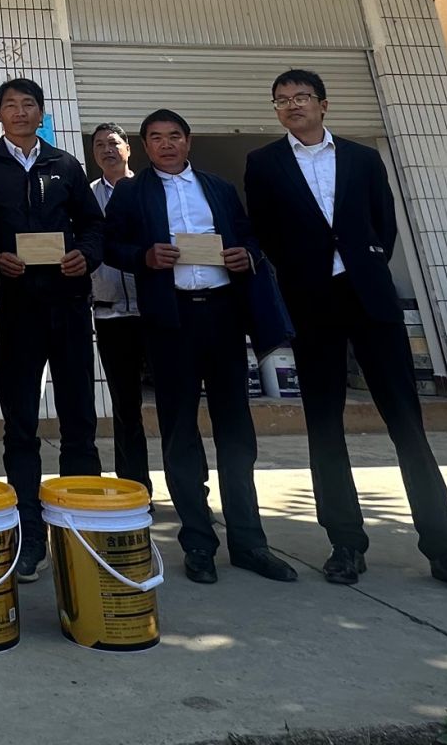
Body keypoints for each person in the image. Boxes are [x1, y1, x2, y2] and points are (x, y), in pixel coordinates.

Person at [245, 70, 447, 600]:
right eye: (282, 100)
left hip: (371, 298)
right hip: (312, 303)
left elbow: (384, 222)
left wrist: (364, 262)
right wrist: (302, 271)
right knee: (324, 425)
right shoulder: (264, 163)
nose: (292, 106)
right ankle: (345, 542)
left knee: (406, 421)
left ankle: (443, 549)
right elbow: (263, 229)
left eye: (301, 97)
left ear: (323, 104)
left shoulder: (361, 157)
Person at [107, 110, 298, 585]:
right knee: (179, 432)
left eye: (174, 136)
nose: (166, 144)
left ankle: (249, 542)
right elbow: (110, 245)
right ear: (145, 146)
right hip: (170, 319)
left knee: (236, 429)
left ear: (188, 141)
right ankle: (197, 542)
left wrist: (245, 254)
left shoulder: (217, 187)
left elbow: (249, 235)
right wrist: (144, 256)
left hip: (223, 313)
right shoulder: (133, 192)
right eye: (156, 138)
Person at [0, 79, 105, 582]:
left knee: (80, 419)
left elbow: (94, 226)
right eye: (10, 105)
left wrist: (86, 255)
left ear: (40, 113)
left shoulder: (66, 165)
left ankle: (81, 530)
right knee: (20, 427)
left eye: (28, 104)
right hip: (13, 311)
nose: (19, 112)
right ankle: (29, 533)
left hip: (68, 307)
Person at [85, 122, 150, 496]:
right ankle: (134, 487)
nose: (107, 150)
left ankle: (189, 490)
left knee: (176, 404)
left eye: (113, 143)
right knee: (126, 406)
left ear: (128, 148)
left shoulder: (149, 190)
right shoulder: (87, 197)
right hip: (110, 314)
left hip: (154, 310)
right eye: (99, 145)